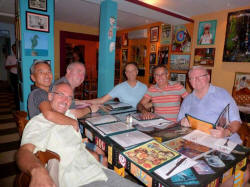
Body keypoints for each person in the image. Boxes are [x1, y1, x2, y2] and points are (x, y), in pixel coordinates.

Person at [16, 83, 141, 187]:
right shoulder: (39, 122)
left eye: (69, 97)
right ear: (50, 96)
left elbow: (79, 112)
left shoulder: (69, 115)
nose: (66, 100)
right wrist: (36, 170)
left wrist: (91, 109)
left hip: (98, 170)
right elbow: (24, 152)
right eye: (61, 95)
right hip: (79, 180)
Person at [27, 61, 106, 166]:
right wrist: (73, 122)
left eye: (49, 72)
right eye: (41, 72)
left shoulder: (47, 93)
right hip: (51, 144)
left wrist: (83, 103)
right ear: (33, 77)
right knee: (99, 157)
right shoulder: (39, 93)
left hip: (59, 136)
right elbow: (49, 114)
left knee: (100, 150)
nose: (46, 75)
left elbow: (63, 108)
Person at [177, 66, 242, 144]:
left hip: (225, 142)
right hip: (198, 142)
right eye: (192, 78)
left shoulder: (222, 94)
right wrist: (182, 122)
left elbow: (236, 122)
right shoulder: (187, 99)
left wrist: (226, 132)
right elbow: (180, 121)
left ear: (208, 77)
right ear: (189, 81)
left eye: (200, 76)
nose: (196, 80)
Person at [5, 44, 19, 110]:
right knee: (16, 91)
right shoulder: (10, 57)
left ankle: (21, 104)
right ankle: (17, 106)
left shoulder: (21, 56)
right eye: (14, 48)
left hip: (21, 76)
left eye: (16, 48)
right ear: (12, 49)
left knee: (21, 91)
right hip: (14, 75)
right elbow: (6, 67)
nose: (15, 50)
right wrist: (14, 65)